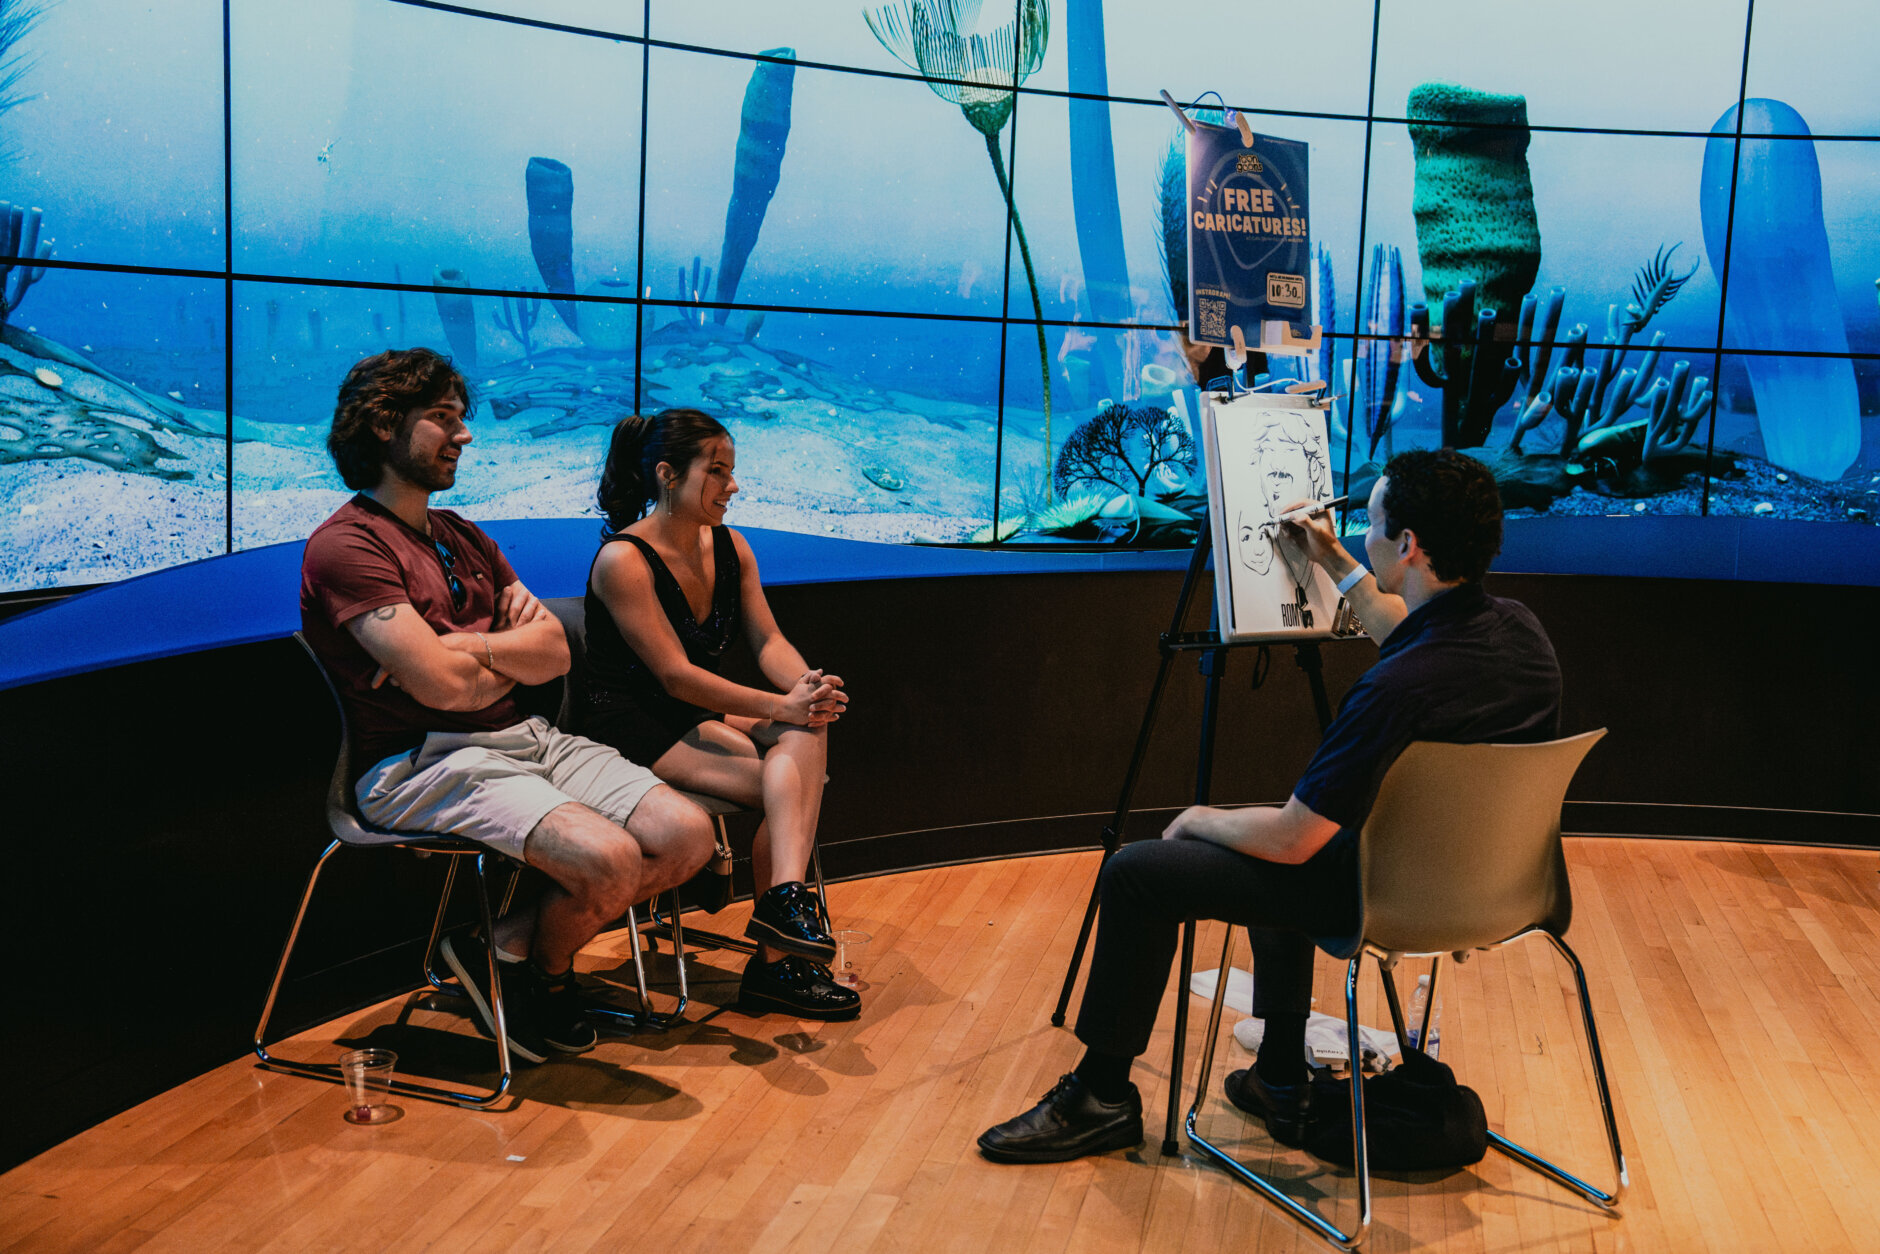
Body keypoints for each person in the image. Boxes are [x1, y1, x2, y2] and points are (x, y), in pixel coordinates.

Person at [976, 448, 1562, 1163]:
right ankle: (1280, 1076)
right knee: (1288, 842)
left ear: (1407, 545)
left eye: (1370, 523)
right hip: (1496, 891)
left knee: (1142, 870)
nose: (1364, 533)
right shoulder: (1521, 636)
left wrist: (1199, 819)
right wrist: (1330, 554)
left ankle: (1101, 1097)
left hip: (1385, 897)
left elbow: (1292, 843)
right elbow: (1403, 632)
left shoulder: (1396, 690)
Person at [300, 348, 715, 1065]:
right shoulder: (345, 547)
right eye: (442, 419)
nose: (464, 435)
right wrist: (494, 648)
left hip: (527, 735)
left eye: (461, 419)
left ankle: (501, 947)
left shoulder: (464, 535)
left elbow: (553, 651)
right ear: (380, 424)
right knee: (612, 860)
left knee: (689, 836)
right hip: (424, 762)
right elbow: (439, 692)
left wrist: (465, 652)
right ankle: (543, 977)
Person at [584, 408, 857, 1020]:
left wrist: (806, 687)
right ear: (667, 475)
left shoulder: (733, 547)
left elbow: (767, 642)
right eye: (718, 472)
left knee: (807, 733)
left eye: (732, 472)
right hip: (629, 722)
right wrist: (780, 705)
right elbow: (674, 677)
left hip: (696, 714)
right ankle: (778, 960)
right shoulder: (623, 561)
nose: (732, 486)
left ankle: (781, 909)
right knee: (789, 786)